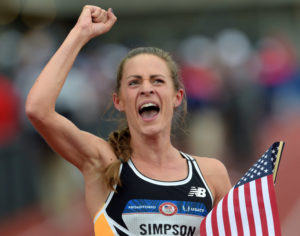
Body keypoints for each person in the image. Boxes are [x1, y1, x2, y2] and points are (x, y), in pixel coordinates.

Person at [26, 5, 232, 236]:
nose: (146, 89)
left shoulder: (211, 174)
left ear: (177, 97)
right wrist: (79, 34)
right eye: (134, 82)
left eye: (157, 81)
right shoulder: (104, 163)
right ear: (119, 101)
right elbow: (38, 109)